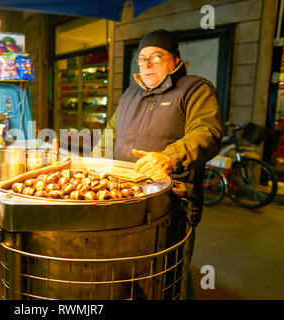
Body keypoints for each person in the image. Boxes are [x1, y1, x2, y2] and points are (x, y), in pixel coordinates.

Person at [92, 29, 222, 299]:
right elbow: (110, 133)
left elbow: (206, 133)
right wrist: (92, 165)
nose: (147, 64)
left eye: (156, 56)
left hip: (171, 204)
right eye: (142, 59)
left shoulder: (196, 89)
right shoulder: (129, 95)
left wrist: (169, 157)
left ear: (175, 60)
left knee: (170, 279)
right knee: (129, 274)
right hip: (125, 200)